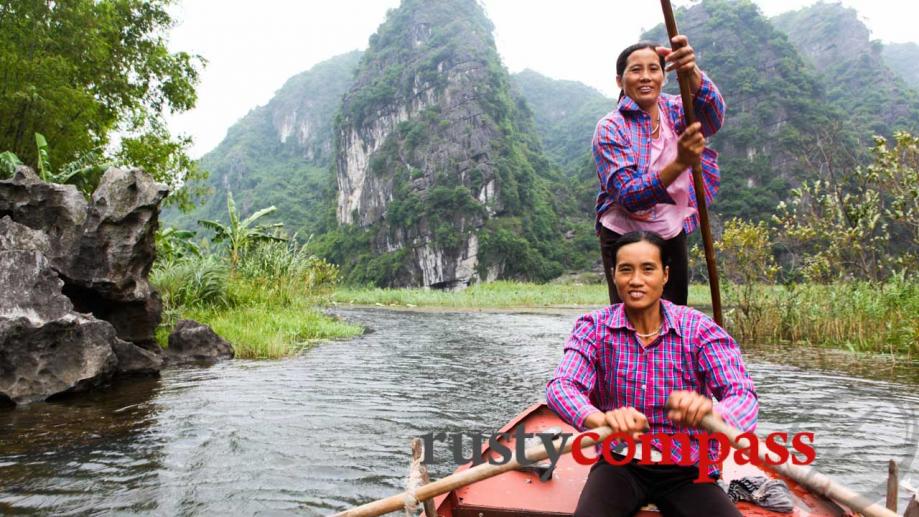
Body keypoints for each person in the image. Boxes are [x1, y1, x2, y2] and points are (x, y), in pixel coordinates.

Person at [546, 231, 757, 517]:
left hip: (687, 467)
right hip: (621, 461)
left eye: (648, 269)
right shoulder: (594, 327)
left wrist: (714, 414)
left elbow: (742, 394)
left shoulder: (698, 329)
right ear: (614, 275)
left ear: (665, 275)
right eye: (626, 270)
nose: (636, 280)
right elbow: (562, 387)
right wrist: (602, 419)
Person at [593, 35, 725, 305]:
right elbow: (630, 195)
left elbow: (713, 118)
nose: (646, 77)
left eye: (654, 69)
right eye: (636, 70)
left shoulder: (675, 108)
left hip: (670, 230)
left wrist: (692, 72)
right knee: (631, 317)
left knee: (673, 315)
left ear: (664, 76)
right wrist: (680, 162)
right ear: (620, 80)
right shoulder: (610, 128)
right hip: (623, 234)